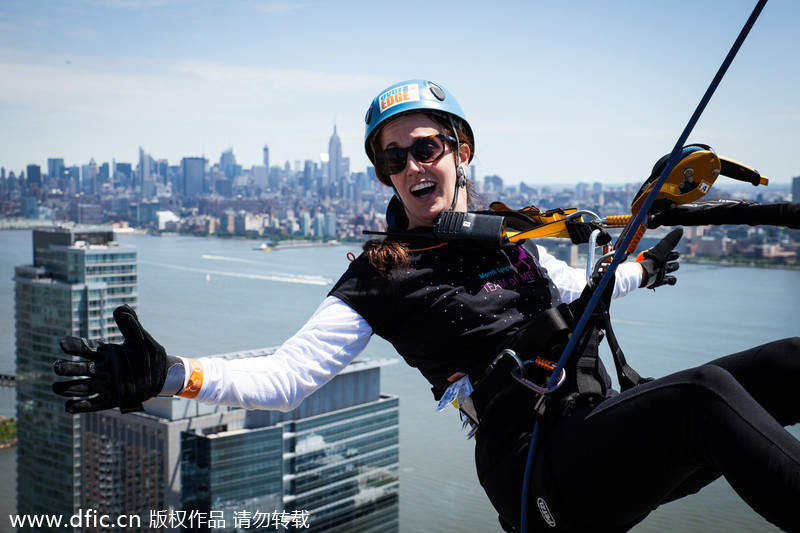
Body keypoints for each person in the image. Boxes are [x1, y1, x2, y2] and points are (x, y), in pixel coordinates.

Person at [53, 79, 800, 532]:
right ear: (383, 173)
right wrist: (168, 373)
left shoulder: (512, 238)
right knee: (704, 398)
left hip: (596, 427)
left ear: (461, 150)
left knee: (789, 364)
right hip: (537, 469)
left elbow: (578, 291)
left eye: (428, 147)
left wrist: (640, 267)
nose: (412, 165)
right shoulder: (383, 274)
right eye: (393, 157)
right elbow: (285, 378)